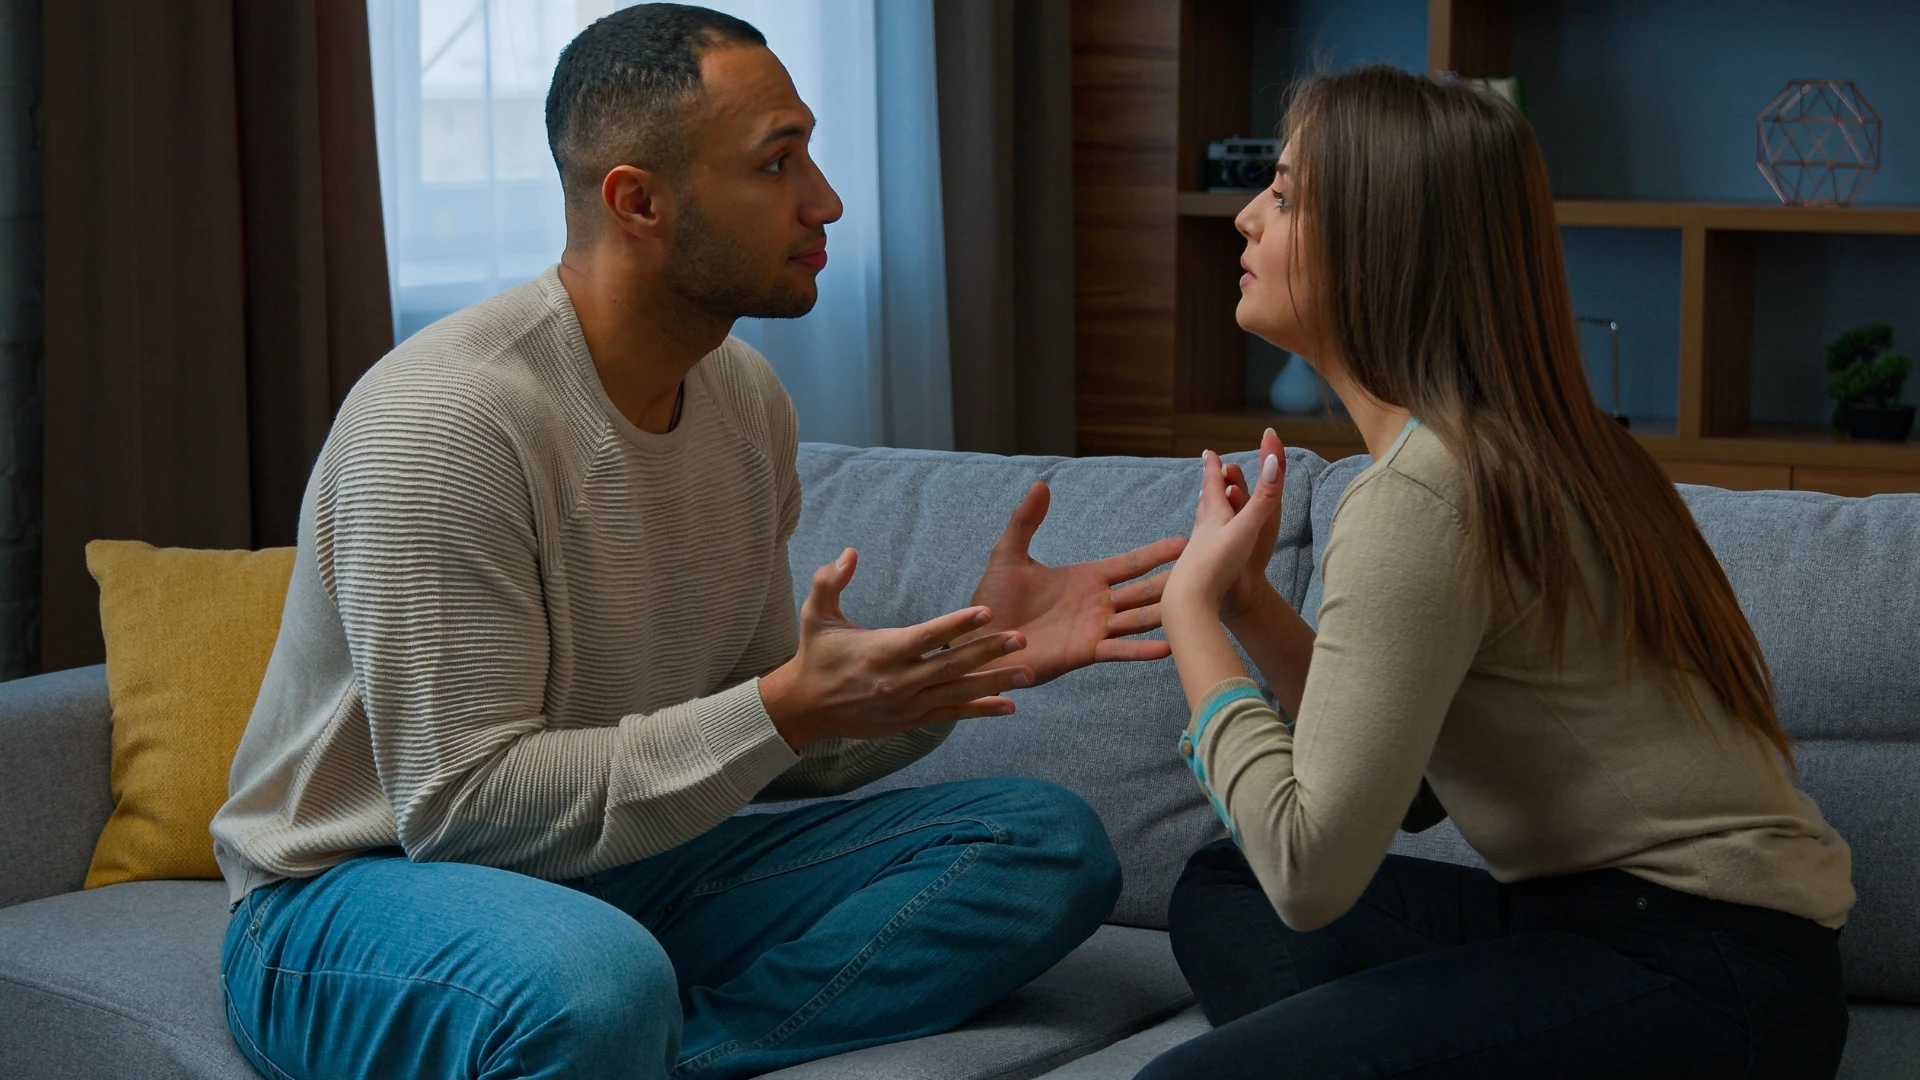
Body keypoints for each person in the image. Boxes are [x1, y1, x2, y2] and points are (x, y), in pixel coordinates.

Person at [209, 6, 1185, 1079]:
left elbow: (757, 726)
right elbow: (465, 813)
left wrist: (969, 657)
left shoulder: (744, 399)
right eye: (777, 162)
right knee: (595, 981)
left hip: (621, 875)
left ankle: (664, 1056)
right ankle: (615, 1030)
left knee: (1042, 842)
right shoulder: (450, 424)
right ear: (638, 202)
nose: (826, 200)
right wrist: (782, 708)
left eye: (808, 152)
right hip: (352, 894)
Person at [1143, 65, 1854, 1079]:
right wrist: (1250, 602)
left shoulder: (1425, 491)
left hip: (1705, 973)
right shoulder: (1526, 446)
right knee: (1224, 888)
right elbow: (1413, 796)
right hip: (1604, 928)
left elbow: (1308, 869)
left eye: (1287, 196)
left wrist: (1192, 610)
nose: (1246, 216)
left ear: (1382, 242)